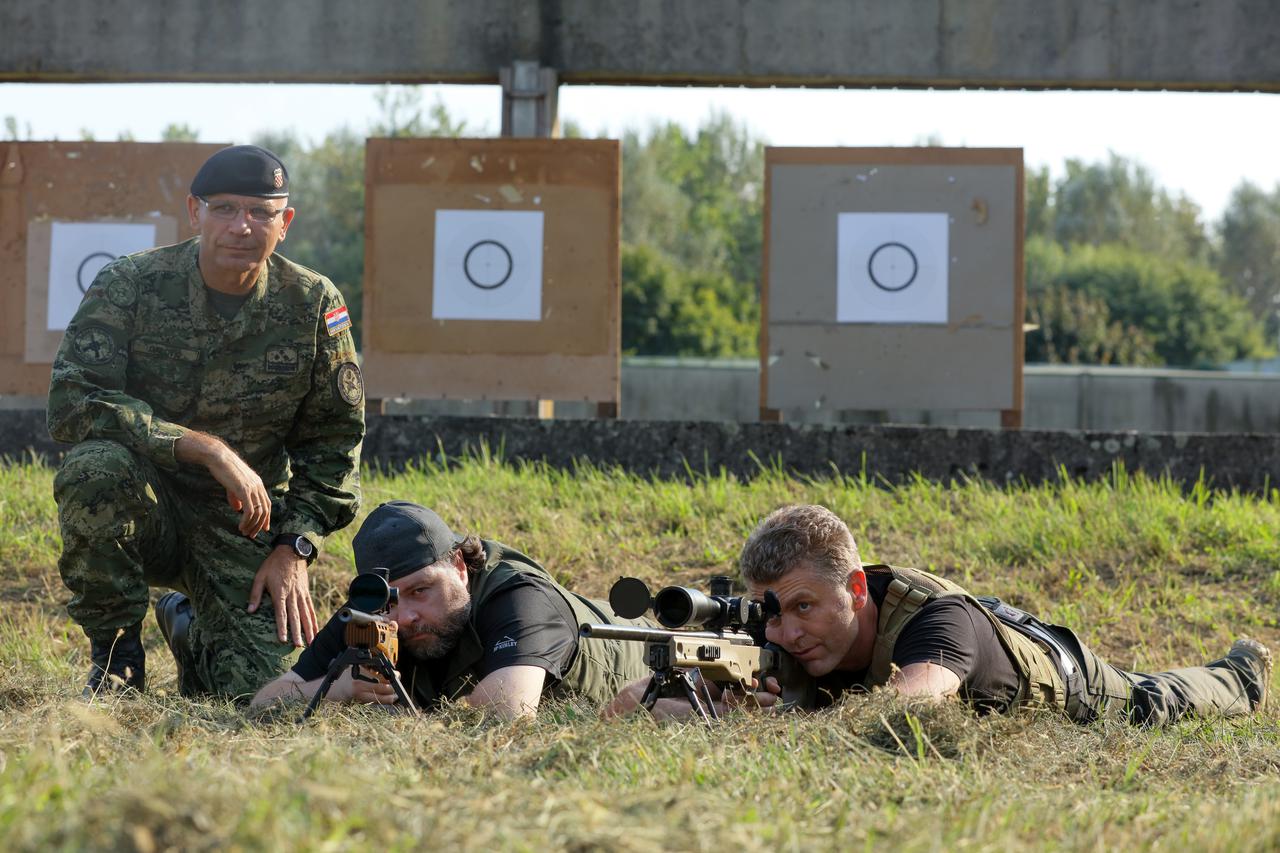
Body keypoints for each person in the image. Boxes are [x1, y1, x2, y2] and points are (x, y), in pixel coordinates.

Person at [48, 144, 365, 700]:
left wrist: (295, 548)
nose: (242, 226)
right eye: (224, 209)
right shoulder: (132, 284)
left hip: (243, 522)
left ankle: (188, 627)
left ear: (284, 222)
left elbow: (334, 444)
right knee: (94, 467)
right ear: (194, 212)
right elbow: (75, 400)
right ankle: (118, 665)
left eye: (260, 211)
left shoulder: (313, 304)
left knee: (264, 694)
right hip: (145, 499)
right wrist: (202, 448)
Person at [605, 504, 1272, 725]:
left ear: (857, 588)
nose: (785, 631)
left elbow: (904, 713)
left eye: (806, 606)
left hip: (1069, 683)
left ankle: (1241, 672)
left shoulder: (937, 625)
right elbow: (626, 707)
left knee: (1158, 698)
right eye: (773, 612)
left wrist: (773, 727)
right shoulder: (771, 627)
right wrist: (708, 696)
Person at [252, 501, 652, 718]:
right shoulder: (373, 612)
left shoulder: (519, 598)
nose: (404, 616)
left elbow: (505, 713)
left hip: (647, 653)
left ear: (459, 566)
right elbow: (266, 701)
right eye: (391, 599)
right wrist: (336, 689)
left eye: (421, 590)